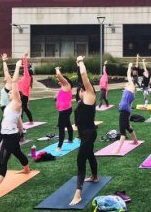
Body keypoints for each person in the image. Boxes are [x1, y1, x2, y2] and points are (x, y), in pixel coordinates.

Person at [0, 60, 31, 196]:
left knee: (2, 162)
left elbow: (14, 82)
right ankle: (26, 168)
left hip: (10, 138)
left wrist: (17, 67)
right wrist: (22, 132)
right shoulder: (10, 106)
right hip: (11, 136)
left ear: (17, 96)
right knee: (17, 153)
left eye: (11, 92)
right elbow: (18, 120)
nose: (9, 93)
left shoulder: (17, 102)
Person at [69, 56, 100, 206]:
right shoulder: (83, 98)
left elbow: (83, 77)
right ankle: (95, 176)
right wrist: (77, 65)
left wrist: (81, 61)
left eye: (80, 90)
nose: (78, 92)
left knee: (80, 161)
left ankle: (78, 193)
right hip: (86, 134)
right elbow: (79, 81)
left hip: (88, 135)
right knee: (90, 155)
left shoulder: (90, 95)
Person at [114, 62, 139, 154]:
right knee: (128, 127)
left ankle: (117, 150)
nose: (126, 84)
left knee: (122, 131)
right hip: (126, 110)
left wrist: (129, 66)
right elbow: (130, 106)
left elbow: (128, 75)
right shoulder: (130, 92)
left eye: (127, 83)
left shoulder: (131, 87)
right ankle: (135, 141)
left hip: (124, 110)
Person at [0, 54, 13, 152]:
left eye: (8, 76)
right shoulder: (8, 84)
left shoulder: (10, 83)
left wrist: (4, 61)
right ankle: (21, 136)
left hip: (7, 109)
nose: (6, 77)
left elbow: (5, 71)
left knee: (2, 126)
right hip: (7, 108)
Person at [54, 67, 74, 153]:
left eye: (62, 79)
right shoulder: (63, 86)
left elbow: (58, 75)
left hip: (65, 110)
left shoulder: (67, 85)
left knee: (61, 127)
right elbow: (58, 77)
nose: (61, 80)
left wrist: (57, 68)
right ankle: (70, 139)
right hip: (65, 110)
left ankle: (59, 146)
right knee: (68, 124)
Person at [19, 52, 34, 125]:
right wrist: (28, 100)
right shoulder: (26, 79)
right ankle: (31, 121)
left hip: (23, 96)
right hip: (23, 96)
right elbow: (28, 91)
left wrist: (24, 57)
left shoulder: (27, 77)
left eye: (25, 72)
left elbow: (25, 67)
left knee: (21, 109)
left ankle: (21, 123)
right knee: (24, 109)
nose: (24, 72)